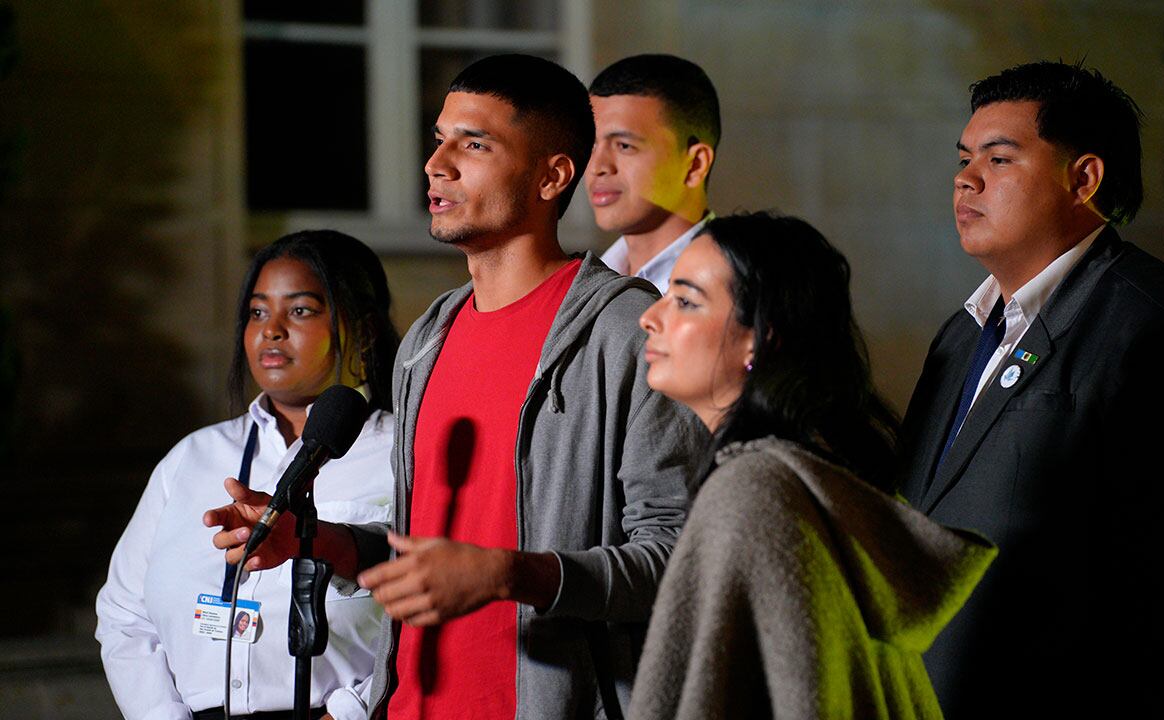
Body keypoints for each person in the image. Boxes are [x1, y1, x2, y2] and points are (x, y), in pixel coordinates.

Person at [206, 54, 704, 720]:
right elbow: (430, 553)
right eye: (438, 138)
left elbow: (679, 560)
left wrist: (509, 574)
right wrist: (319, 541)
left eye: (474, 143)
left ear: (553, 175)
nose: (435, 163)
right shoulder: (426, 341)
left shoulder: (626, 334)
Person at [896, 61, 1164, 717]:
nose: (965, 179)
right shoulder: (960, 337)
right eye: (963, 159)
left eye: (1000, 158)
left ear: (1084, 178)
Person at [629, 211, 996, 720]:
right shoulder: (805, 482)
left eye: (687, 301)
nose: (651, 316)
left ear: (758, 339)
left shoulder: (752, 491)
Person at [96, 230, 400, 720]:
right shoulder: (193, 456)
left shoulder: (402, 453)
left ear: (361, 331)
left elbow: (435, 613)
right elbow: (124, 614)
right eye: (258, 312)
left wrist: (352, 711)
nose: (271, 330)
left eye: (299, 310)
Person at [588, 54, 719, 293]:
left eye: (624, 146)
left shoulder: (737, 292)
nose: (598, 167)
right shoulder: (586, 285)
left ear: (695, 164)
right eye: (591, 146)